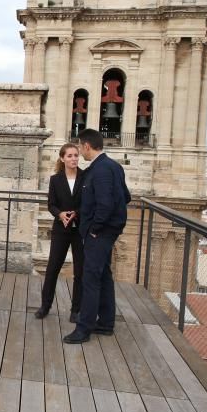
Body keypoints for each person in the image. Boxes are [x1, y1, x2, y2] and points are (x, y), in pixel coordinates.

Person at [63, 130, 131, 344]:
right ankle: (106, 322)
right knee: (103, 276)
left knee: (90, 278)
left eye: (80, 147)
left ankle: (84, 328)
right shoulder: (113, 166)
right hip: (107, 231)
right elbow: (125, 197)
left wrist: (94, 228)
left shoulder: (100, 170)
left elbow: (105, 204)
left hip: (100, 233)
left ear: (86, 146)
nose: (80, 151)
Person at [35, 143, 84, 322]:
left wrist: (76, 213)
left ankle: (76, 310)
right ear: (62, 158)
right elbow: (51, 204)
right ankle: (45, 306)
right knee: (52, 268)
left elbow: (88, 202)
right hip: (61, 228)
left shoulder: (85, 177)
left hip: (79, 229)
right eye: (70, 156)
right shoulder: (56, 179)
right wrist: (60, 214)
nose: (73, 159)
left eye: (76, 155)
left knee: (80, 271)